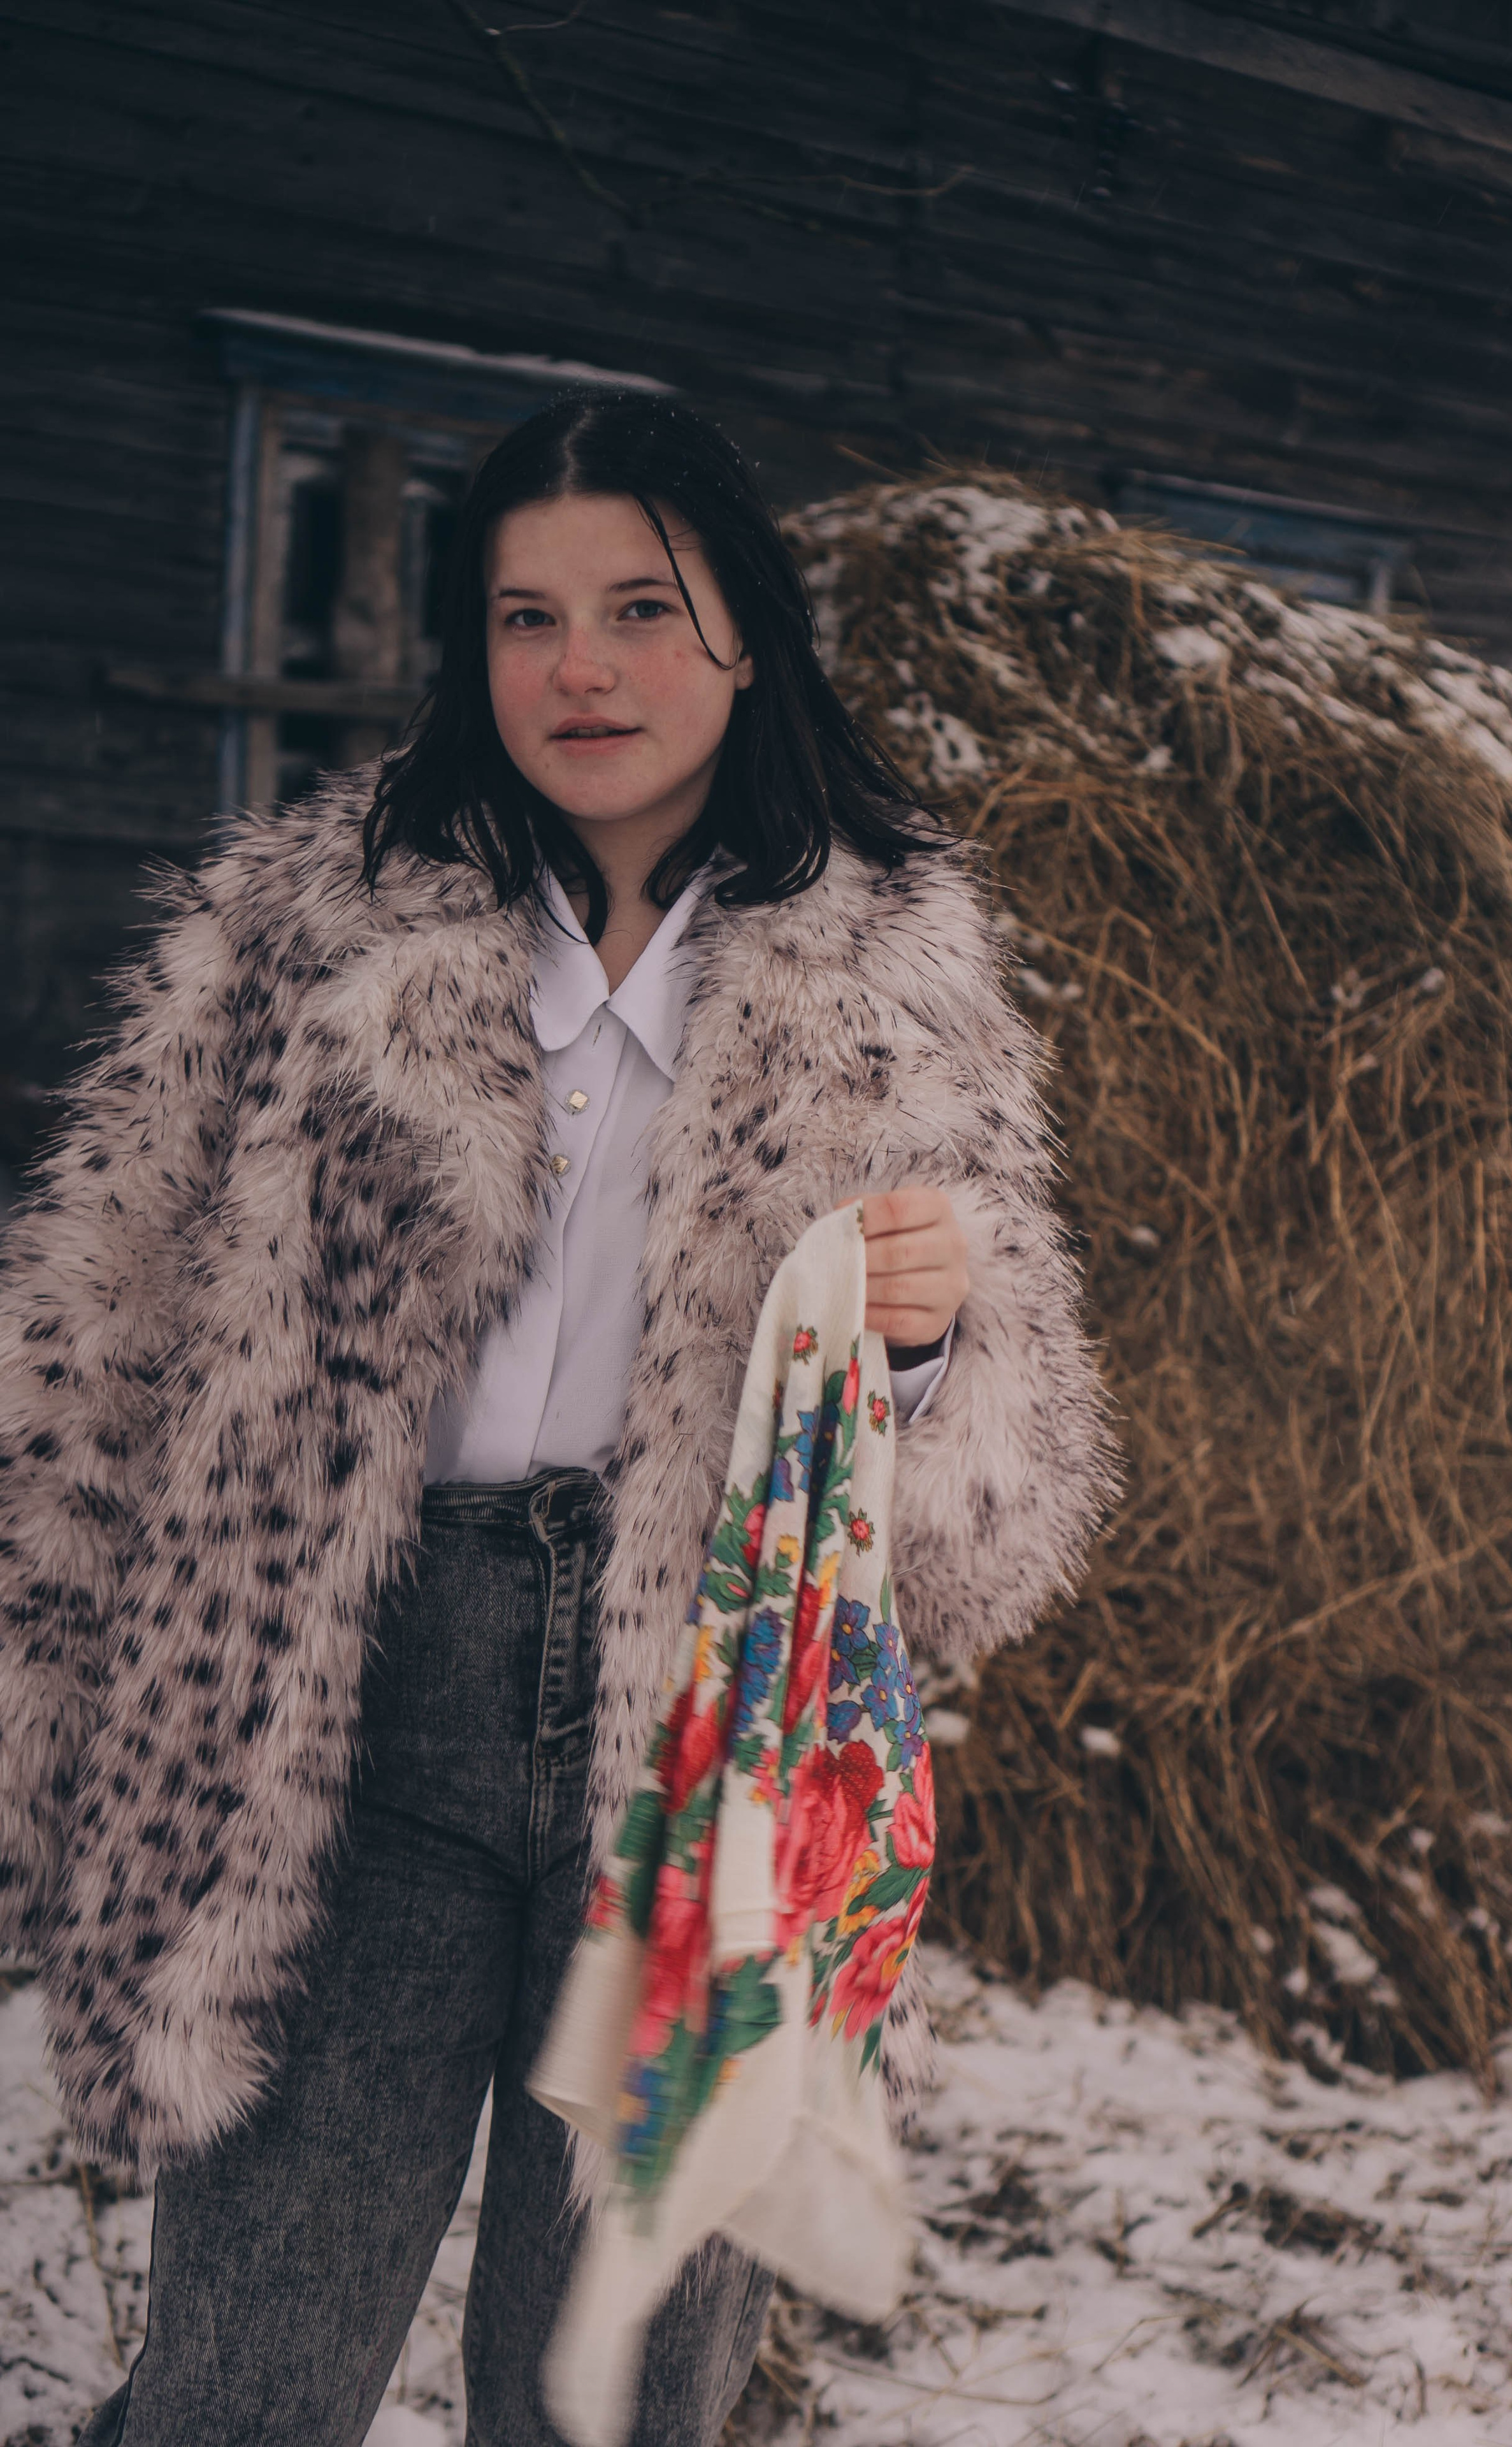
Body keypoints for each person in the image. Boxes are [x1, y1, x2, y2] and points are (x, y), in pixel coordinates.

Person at [0, 390, 1116, 2446]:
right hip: (342, 1705)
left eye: (637, 608)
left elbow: (987, 1534)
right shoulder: (308, 924)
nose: (578, 669)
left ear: (748, 636)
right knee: (244, 2381)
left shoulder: (889, 971)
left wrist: (935, 1352)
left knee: (603, 2395)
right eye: (525, 616)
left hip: (707, 1726)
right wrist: (41, 1707)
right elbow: (89, 1342)